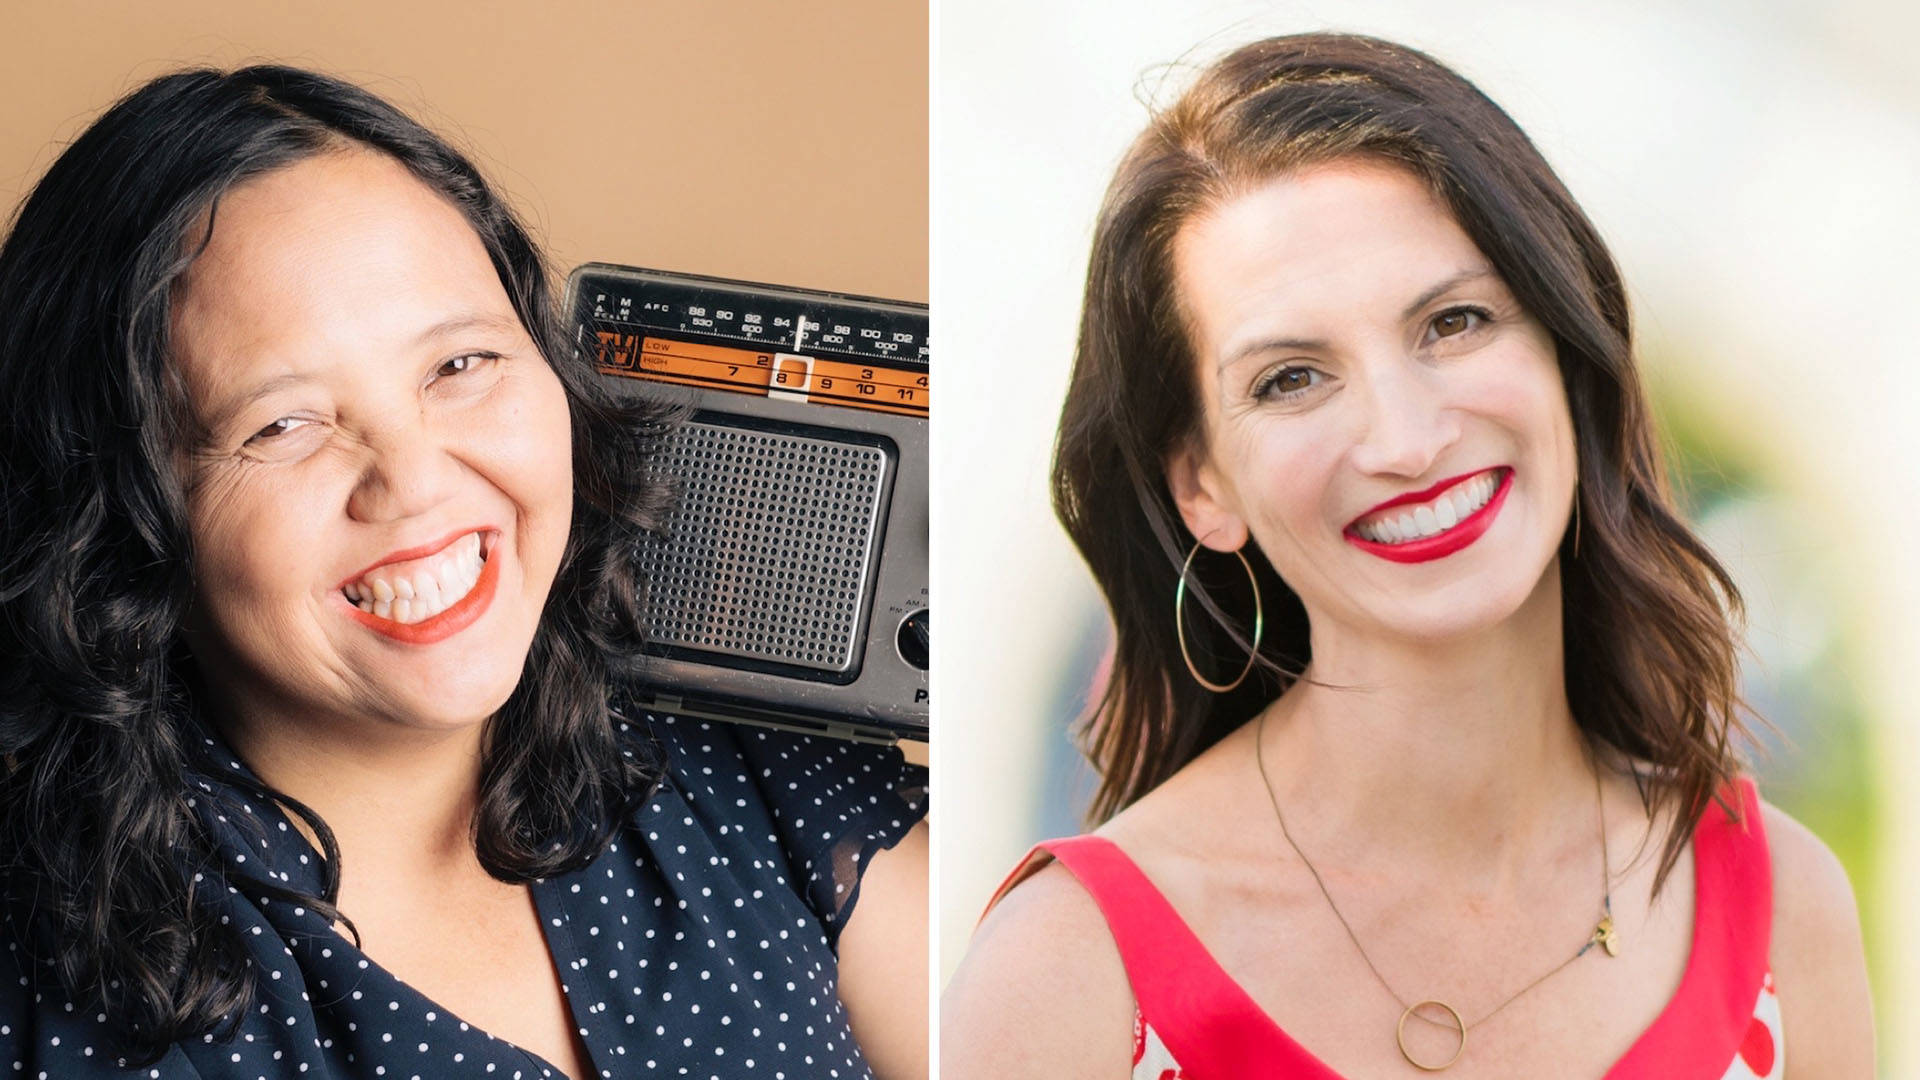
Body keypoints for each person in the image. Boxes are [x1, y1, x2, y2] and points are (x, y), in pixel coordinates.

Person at [943, 33, 1870, 1079]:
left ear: (1567, 347)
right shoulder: (1066, 981)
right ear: (1201, 483)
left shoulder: (1783, 907)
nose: (1406, 441)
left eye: (1454, 321)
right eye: (1291, 378)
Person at [0, 65, 929, 1079]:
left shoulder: (745, 766)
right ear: (123, 517)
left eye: (460, 365)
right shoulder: (52, 1007)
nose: (413, 481)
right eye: (282, 424)